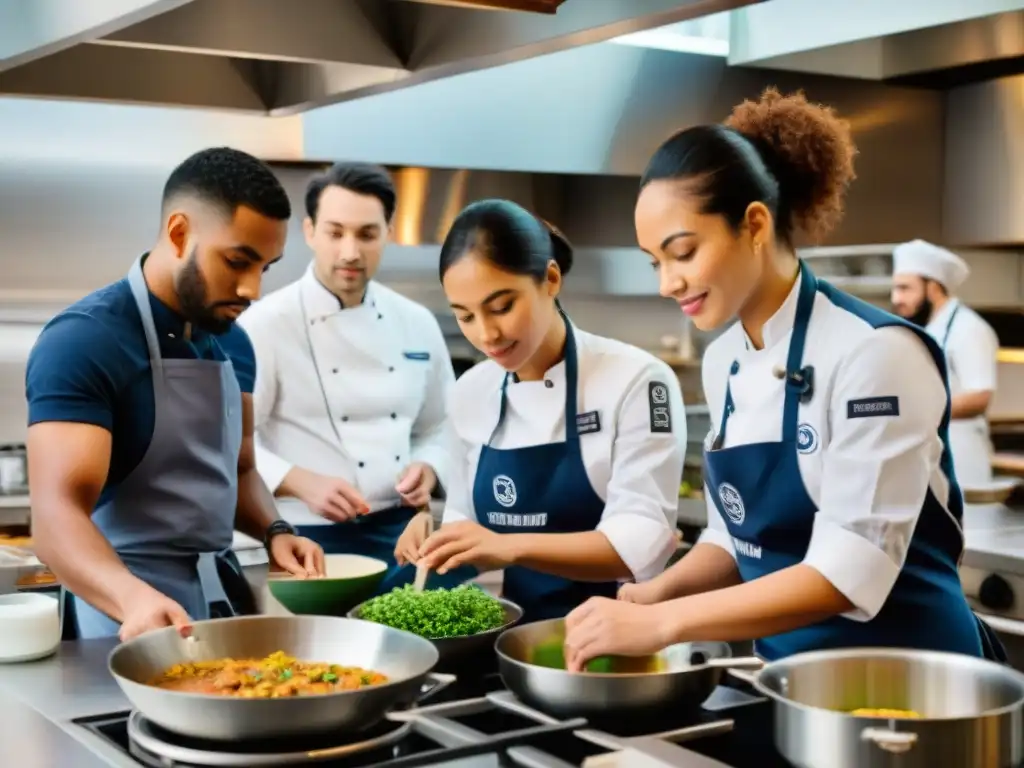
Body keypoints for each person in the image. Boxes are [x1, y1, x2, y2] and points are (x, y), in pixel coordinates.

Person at [561, 88, 1004, 670]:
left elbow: (848, 573)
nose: (667, 283)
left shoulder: (874, 352)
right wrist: (659, 590)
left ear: (754, 225)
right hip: (791, 675)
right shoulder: (723, 361)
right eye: (654, 262)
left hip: (910, 676)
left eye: (683, 252)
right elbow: (737, 537)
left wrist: (661, 623)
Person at [25, 147, 325, 641]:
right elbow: (56, 518)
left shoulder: (234, 343)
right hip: (121, 616)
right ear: (180, 234)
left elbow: (240, 470)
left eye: (266, 267)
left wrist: (276, 531)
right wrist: (132, 598)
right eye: (237, 261)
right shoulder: (85, 341)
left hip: (220, 601)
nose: (252, 289)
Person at [396, 199, 686, 622]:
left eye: (501, 307)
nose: (487, 334)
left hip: (620, 636)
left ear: (550, 279)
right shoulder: (471, 391)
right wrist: (438, 537)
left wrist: (511, 544)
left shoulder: (637, 380)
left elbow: (639, 543)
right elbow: (467, 521)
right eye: (465, 317)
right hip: (511, 637)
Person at [238, 162, 456, 592]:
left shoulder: (416, 322)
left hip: (403, 535)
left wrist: (429, 468)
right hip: (305, 538)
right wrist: (298, 481)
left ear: (388, 233)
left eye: (367, 234)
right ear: (310, 231)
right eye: (336, 233)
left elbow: (444, 425)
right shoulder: (266, 324)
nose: (351, 252)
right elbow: (229, 441)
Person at [891, 240, 999, 489]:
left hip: (963, 459)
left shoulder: (969, 329)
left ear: (933, 288)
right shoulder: (927, 328)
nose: (896, 298)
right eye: (895, 289)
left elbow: (979, 397)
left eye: (905, 288)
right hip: (929, 457)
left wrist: (915, 411)